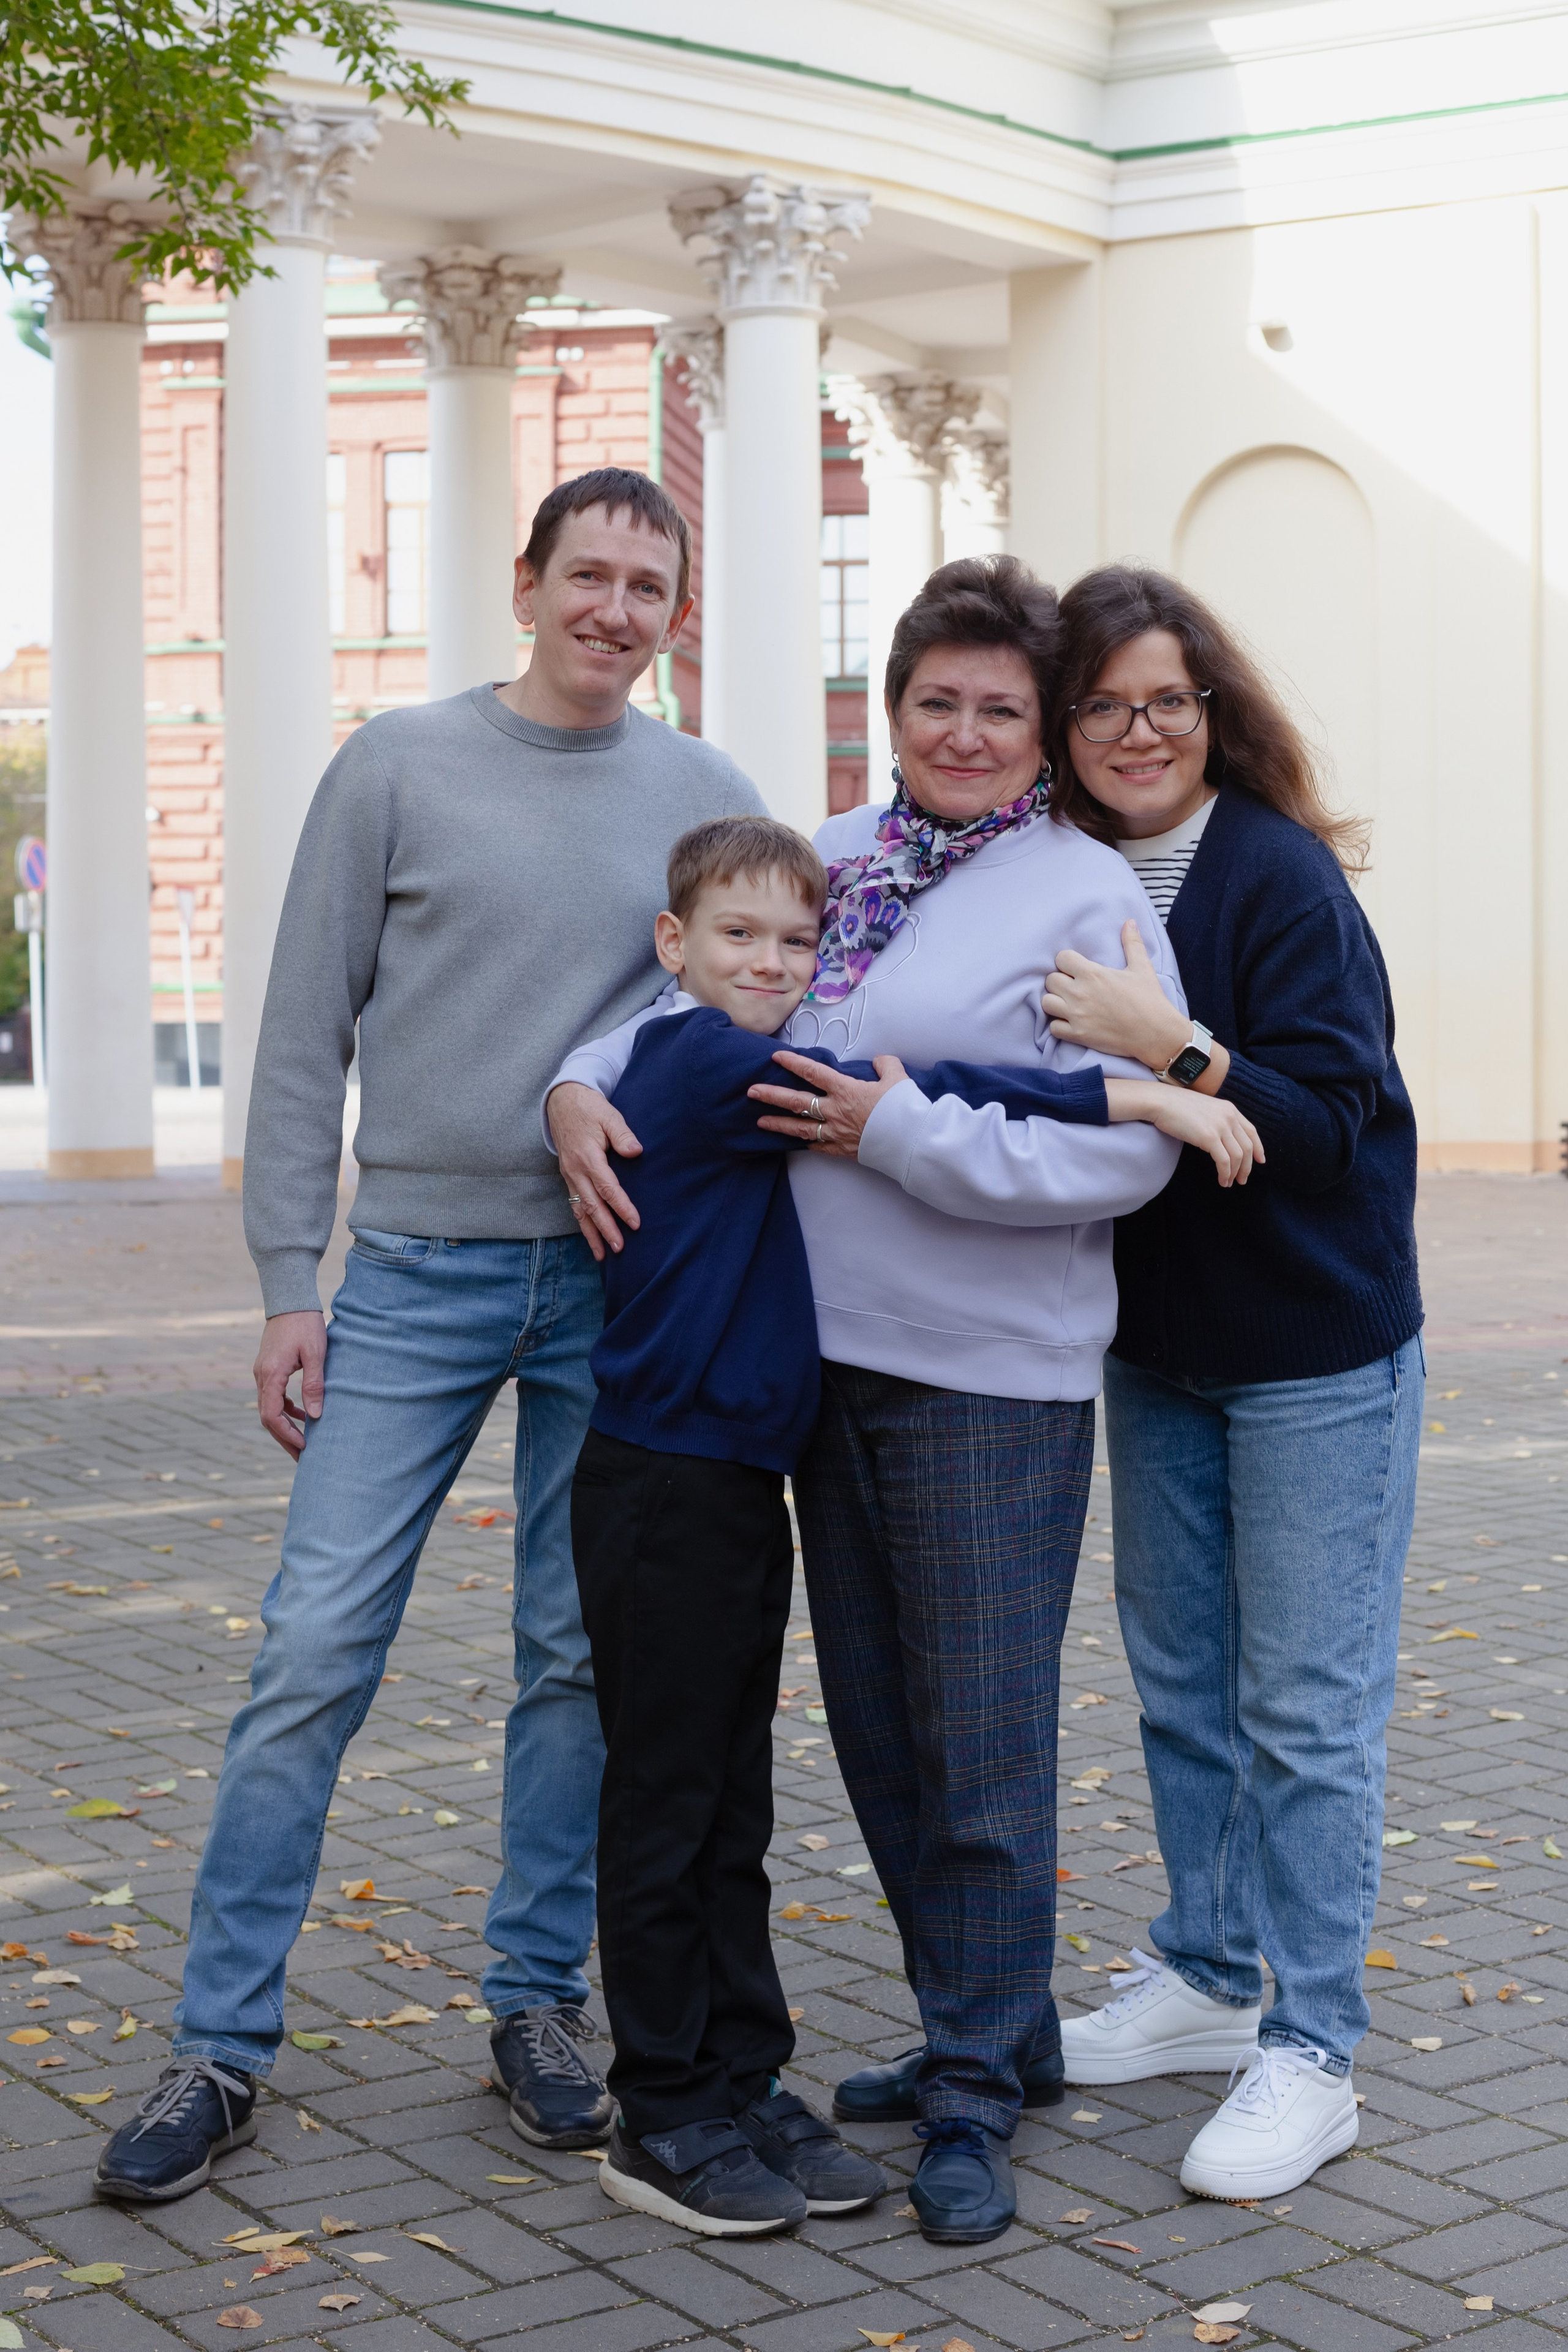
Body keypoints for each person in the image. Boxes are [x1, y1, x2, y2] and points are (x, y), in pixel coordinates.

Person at [549, 556, 1257, 2247]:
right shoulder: (838, 863)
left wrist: (897, 1137)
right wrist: (575, 1093)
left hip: (985, 1377)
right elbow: (679, 1006)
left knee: (981, 1747)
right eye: (933, 700)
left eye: (1000, 709)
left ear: (1043, 732)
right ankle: (986, 2025)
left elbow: (1112, 1148)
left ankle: (970, 2094)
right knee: (877, 1728)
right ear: (892, 706)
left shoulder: (1082, 891)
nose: (961, 730)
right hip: (813, 1370)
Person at [94, 469, 767, 2206]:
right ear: (529, 582)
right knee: (314, 1643)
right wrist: (282, 1286)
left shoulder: (707, 796)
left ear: (674, 612)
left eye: (649, 586)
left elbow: (760, 1009)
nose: (617, 610)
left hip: (617, 1285)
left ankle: (537, 2004)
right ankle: (220, 2042)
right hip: (411, 1273)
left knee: (570, 1661)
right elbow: (305, 1033)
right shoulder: (396, 764)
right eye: (590, 576)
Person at [1039, 565, 1423, 2202]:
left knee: (1306, 1710)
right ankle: (1205, 1972)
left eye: (1167, 701)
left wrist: (1166, 1038)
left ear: (1212, 715)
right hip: (1160, 1349)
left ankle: (1315, 2046)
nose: (1139, 729)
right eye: (1107, 702)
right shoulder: (1051, 872)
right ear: (1067, 724)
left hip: (1317, 1353)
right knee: (1184, 1685)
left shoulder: (1275, 879)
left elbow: (1329, 1128)